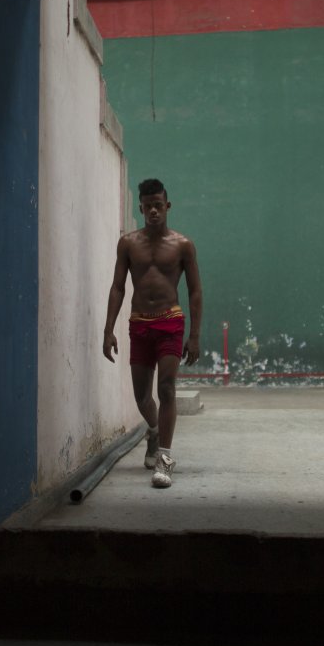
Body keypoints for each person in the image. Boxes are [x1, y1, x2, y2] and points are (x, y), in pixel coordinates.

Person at [103, 178, 202, 488]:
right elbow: (118, 287)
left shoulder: (183, 245)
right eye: (148, 206)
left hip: (171, 322)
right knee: (142, 397)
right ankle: (155, 430)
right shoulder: (128, 244)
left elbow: (195, 291)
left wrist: (195, 335)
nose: (154, 211)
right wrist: (108, 330)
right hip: (140, 324)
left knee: (167, 390)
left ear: (167, 205)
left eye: (159, 205)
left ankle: (165, 458)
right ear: (141, 208)